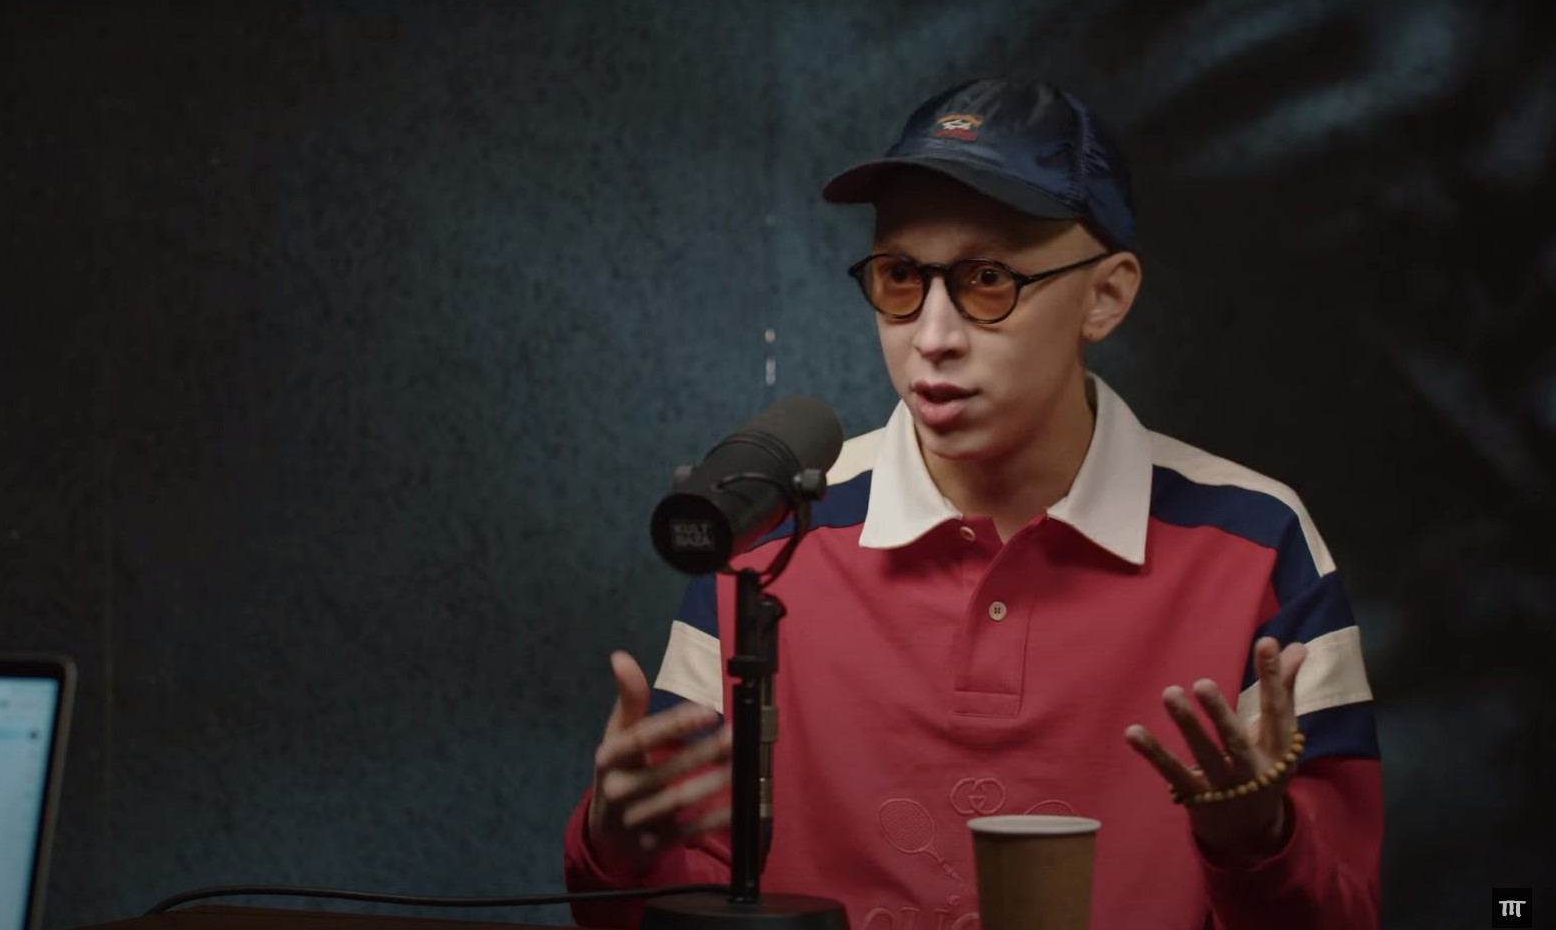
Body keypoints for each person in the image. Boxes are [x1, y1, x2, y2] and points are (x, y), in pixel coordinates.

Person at [561, 78, 1382, 930]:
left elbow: (1346, 915)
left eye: (988, 279)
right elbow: (652, 904)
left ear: (1105, 295)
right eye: (899, 276)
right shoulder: (771, 537)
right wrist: (615, 846)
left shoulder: (1257, 542)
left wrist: (1259, 844)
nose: (932, 336)